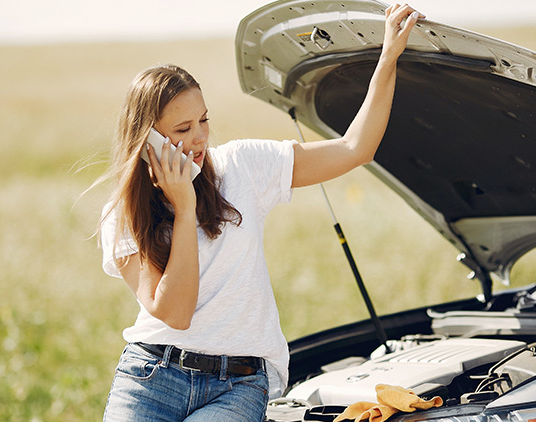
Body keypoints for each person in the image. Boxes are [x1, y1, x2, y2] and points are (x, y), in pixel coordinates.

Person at [100, 4, 422, 421]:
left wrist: (387, 58)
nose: (199, 138)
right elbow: (175, 313)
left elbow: (354, 148)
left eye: (203, 121)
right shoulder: (122, 213)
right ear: (148, 140)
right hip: (151, 377)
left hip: (237, 385)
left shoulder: (242, 166)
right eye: (182, 130)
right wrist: (183, 208)